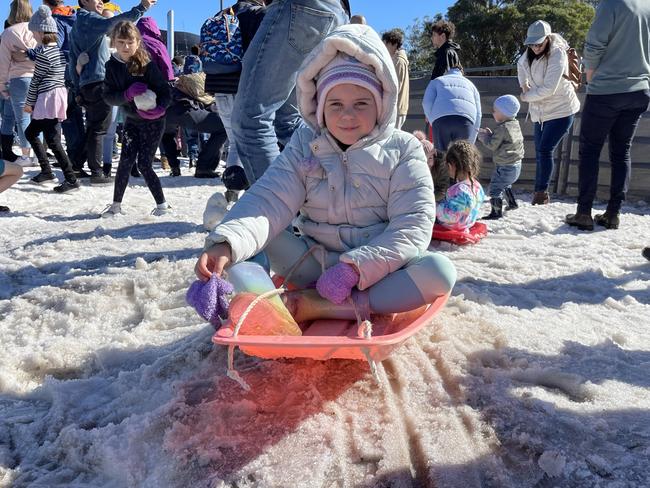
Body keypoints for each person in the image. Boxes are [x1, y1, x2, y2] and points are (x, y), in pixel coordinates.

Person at [195, 24, 456, 322]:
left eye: (361, 103)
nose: (347, 115)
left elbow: (413, 224)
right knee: (249, 241)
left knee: (438, 272)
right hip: (312, 263)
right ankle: (262, 309)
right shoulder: (306, 144)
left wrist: (355, 268)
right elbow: (269, 199)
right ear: (319, 107)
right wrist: (224, 244)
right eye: (335, 104)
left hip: (377, 271)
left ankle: (320, 306)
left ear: (382, 104)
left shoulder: (403, 149)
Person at [230, 0, 350, 185]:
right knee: (288, 121)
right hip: (332, 11)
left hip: (297, 9)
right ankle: (341, 187)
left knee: (250, 120)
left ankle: (280, 210)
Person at [565, 0, 650, 232]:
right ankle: (613, 214)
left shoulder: (611, 4)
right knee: (622, 151)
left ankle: (584, 213)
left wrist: (590, 75)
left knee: (590, 150)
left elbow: (595, 43)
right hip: (639, 90)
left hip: (606, 90)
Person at [68, 0, 157, 185]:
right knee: (99, 128)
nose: (101, 2)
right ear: (83, 1)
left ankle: (77, 164)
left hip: (88, 83)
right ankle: (97, 172)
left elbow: (72, 60)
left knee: (93, 127)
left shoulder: (80, 23)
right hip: (99, 81)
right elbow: (114, 24)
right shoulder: (89, 19)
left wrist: (77, 87)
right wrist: (141, 8)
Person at [101, 20, 171, 217]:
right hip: (132, 120)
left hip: (154, 122)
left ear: (138, 42)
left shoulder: (147, 65)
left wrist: (160, 109)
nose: (125, 46)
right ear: (114, 41)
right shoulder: (111, 66)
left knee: (144, 164)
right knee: (125, 161)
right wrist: (126, 94)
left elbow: (165, 92)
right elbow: (108, 95)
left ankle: (162, 205)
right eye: (121, 41)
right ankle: (115, 206)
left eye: (130, 42)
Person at [203, 0, 266, 199]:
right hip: (245, 86)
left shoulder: (222, 14)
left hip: (220, 88)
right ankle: (252, 195)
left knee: (235, 142)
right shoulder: (260, 14)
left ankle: (231, 190)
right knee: (252, 141)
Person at [517, 20, 580, 206]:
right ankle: (539, 190)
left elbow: (549, 89)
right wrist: (524, 85)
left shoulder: (557, 53)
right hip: (540, 111)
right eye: (532, 44)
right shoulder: (529, 52)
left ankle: (541, 193)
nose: (535, 47)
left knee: (545, 149)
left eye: (539, 43)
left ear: (547, 39)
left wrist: (525, 97)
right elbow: (521, 66)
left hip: (562, 109)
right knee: (539, 151)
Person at [23, 5, 79, 192]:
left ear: (40, 32)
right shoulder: (58, 52)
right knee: (36, 134)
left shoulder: (44, 55)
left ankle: (70, 179)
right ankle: (48, 171)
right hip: (56, 97)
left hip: (47, 98)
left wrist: (29, 103)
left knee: (52, 139)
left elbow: (36, 81)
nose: (33, 36)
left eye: (33, 32)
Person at [0, 0, 36, 165]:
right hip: (39, 76)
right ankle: (38, 154)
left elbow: (3, 62)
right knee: (38, 116)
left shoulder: (8, 33)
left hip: (18, 78)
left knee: (22, 118)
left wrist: (2, 85)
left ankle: (25, 155)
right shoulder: (38, 30)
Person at [477, 94, 524, 219]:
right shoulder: (515, 124)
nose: (493, 112)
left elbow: (492, 145)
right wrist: (491, 134)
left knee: (495, 188)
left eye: (495, 110)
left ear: (503, 113)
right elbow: (506, 141)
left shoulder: (502, 128)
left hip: (505, 166)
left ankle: (496, 212)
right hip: (515, 165)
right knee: (506, 184)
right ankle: (512, 203)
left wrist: (484, 137)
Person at [422, 59, 481, 151]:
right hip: (465, 121)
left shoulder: (436, 81)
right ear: (461, 71)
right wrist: (471, 140)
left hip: (440, 120)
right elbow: (478, 114)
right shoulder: (471, 85)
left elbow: (426, 102)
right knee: (462, 157)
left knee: (442, 157)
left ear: (444, 70)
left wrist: (432, 120)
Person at [435, 140, 485, 232]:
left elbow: (451, 216)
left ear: (450, 166)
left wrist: (436, 207)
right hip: (467, 223)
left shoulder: (459, 190)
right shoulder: (477, 186)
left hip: (451, 226)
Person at [382, 28, 409, 129]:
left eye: (385, 44)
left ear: (394, 44)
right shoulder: (395, 60)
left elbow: (395, 86)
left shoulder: (398, 61)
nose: (383, 47)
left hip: (396, 108)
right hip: (395, 108)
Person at [413, 129, 448, 202]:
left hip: (435, 198)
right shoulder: (413, 165)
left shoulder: (442, 164)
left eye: (430, 158)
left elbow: (442, 190)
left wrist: (425, 199)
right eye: (425, 159)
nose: (428, 163)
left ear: (434, 154)